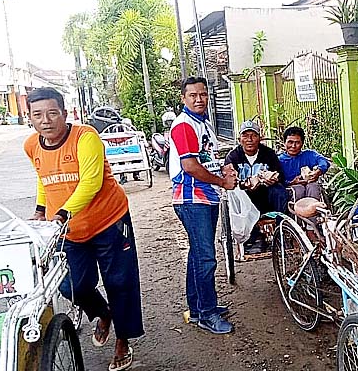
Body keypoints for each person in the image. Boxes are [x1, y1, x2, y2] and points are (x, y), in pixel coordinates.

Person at [24, 87, 143, 371]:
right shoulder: (31, 145)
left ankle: (123, 341)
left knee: (120, 282)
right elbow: (44, 178)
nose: (46, 120)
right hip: (68, 230)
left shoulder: (85, 137)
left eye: (53, 113)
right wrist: (42, 209)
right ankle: (102, 313)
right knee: (71, 285)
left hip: (109, 221)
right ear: (30, 118)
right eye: (38, 115)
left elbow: (91, 182)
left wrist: (62, 212)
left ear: (65, 114)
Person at [169, 76, 237, 334]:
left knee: (198, 255)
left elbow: (207, 158)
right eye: (193, 95)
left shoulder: (203, 123)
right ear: (183, 98)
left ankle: (198, 309)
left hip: (206, 197)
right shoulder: (184, 125)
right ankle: (207, 313)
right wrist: (222, 181)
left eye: (203, 94)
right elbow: (190, 165)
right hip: (192, 198)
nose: (199, 99)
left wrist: (224, 169)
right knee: (206, 258)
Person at [224, 120, 287, 254]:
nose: (249, 140)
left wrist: (273, 179)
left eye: (253, 135)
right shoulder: (233, 156)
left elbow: (280, 175)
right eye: (245, 136)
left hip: (266, 195)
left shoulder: (268, 153)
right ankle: (253, 237)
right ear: (239, 139)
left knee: (280, 191)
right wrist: (244, 184)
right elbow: (228, 179)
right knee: (240, 195)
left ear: (260, 137)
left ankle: (281, 231)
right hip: (246, 196)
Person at [278, 126, 330, 202]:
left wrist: (318, 171)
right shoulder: (279, 160)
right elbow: (277, 181)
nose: (293, 146)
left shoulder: (309, 155)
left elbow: (324, 162)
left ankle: (315, 212)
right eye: (290, 142)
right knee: (298, 189)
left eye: (297, 142)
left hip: (310, 186)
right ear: (284, 142)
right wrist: (292, 182)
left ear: (302, 143)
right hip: (291, 190)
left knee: (313, 187)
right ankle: (296, 213)